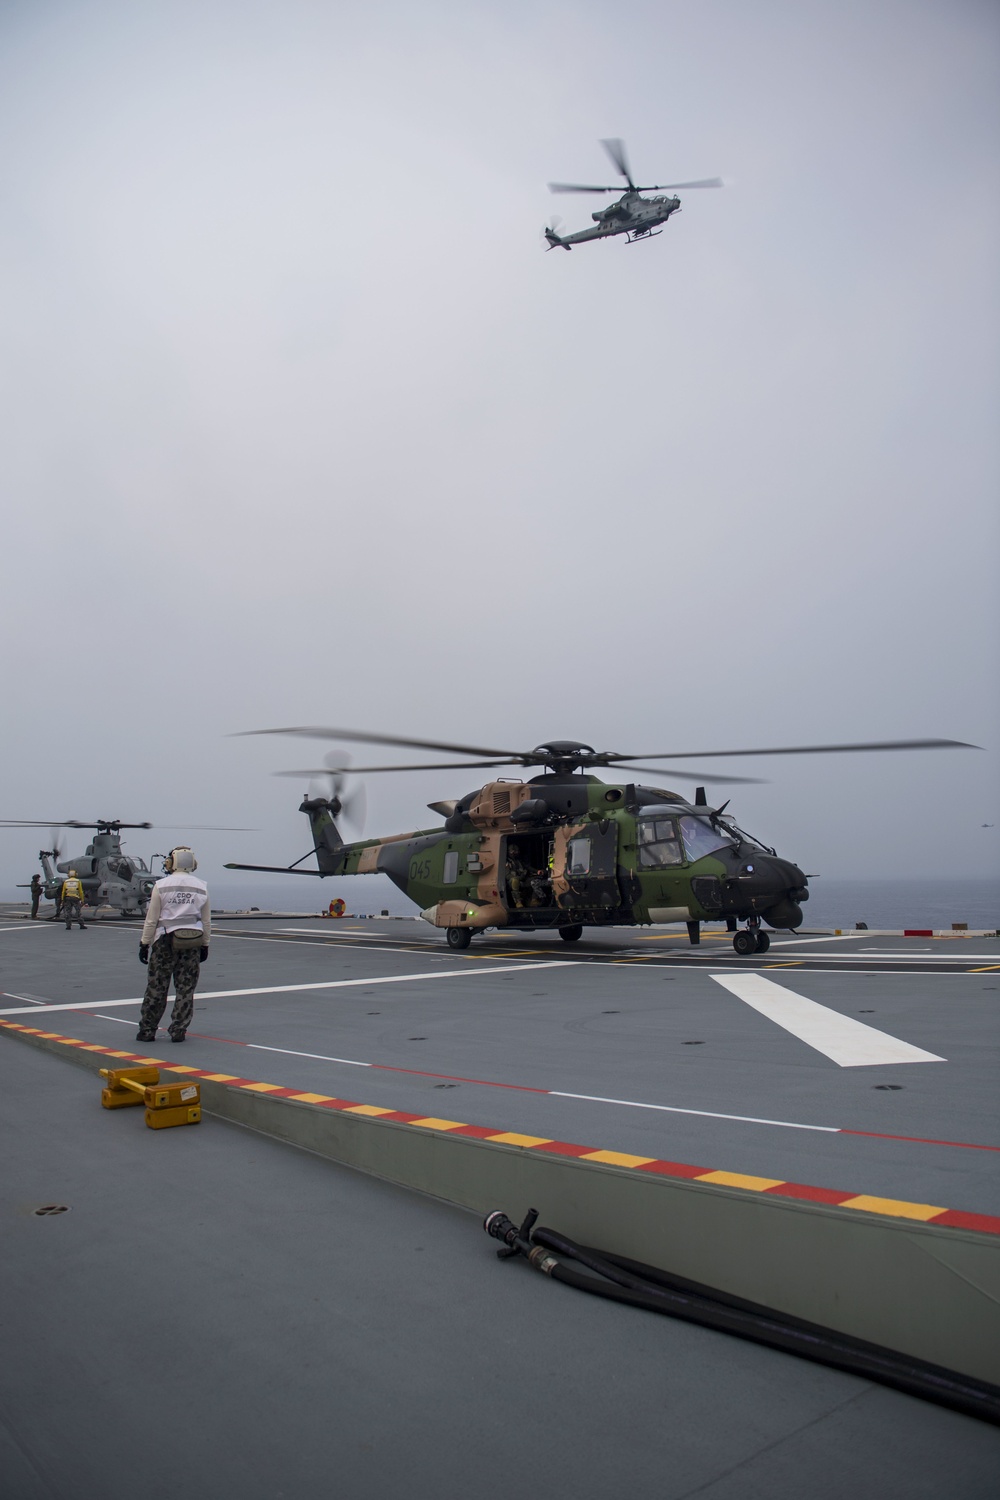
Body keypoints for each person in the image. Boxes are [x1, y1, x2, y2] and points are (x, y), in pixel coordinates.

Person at [136, 846, 210, 1044]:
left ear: (172, 862)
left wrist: (145, 943)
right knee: (186, 988)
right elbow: (206, 920)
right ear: (192, 863)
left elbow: (151, 920)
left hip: (164, 940)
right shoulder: (201, 886)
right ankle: (179, 1030)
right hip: (192, 941)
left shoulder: (161, 885)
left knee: (157, 987)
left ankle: (147, 1030)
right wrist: (205, 944)